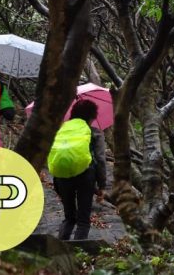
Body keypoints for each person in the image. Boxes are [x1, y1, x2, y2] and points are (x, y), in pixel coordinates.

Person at [49, 99, 107, 240]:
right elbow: (100, 160)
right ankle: (77, 254)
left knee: (69, 217)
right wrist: (102, 185)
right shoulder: (94, 132)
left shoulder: (61, 129)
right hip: (85, 174)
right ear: (92, 116)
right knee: (83, 220)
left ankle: (60, 249)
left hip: (61, 175)